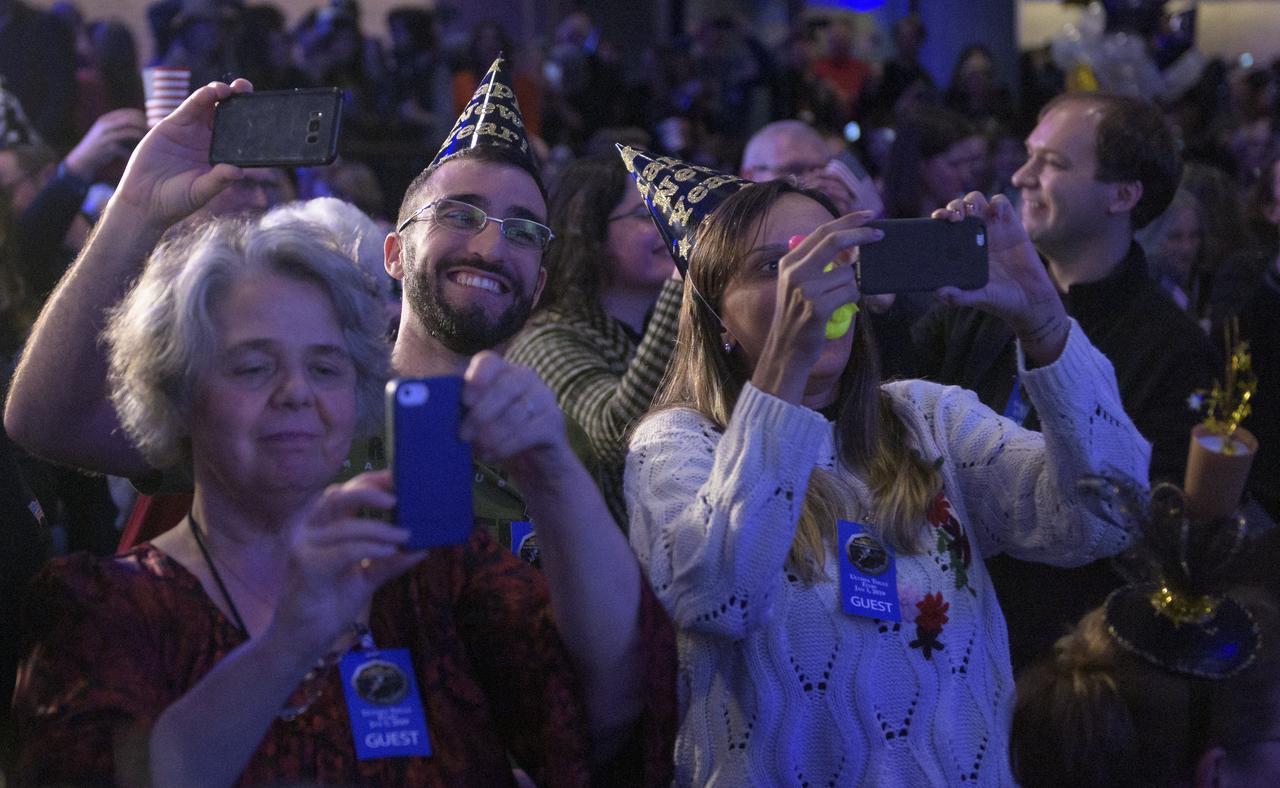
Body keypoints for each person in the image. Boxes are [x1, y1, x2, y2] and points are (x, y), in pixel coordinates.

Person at [7, 62, 674, 784]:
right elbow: (43, 420)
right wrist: (136, 208)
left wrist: (551, 472)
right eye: (255, 365)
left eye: (324, 367)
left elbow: (606, 704)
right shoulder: (111, 609)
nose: (297, 392)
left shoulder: (437, 578)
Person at [618, 146, 1150, 785]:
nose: (812, 284)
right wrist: (784, 369)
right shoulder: (674, 444)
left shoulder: (928, 418)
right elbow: (717, 599)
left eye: (827, 258)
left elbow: (1106, 517)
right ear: (718, 320)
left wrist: (1044, 321)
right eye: (774, 266)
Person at [912, 92, 1220, 670]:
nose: (1022, 176)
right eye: (1028, 156)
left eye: (1052, 164)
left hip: (1061, 656)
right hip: (939, 623)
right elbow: (896, 409)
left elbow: (1143, 531)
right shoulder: (981, 298)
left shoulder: (1172, 347)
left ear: (1123, 196)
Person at [506, 153, 683, 526]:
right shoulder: (546, 339)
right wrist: (682, 286)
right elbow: (612, 437)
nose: (670, 226)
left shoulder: (652, 327)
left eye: (668, 211)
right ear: (589, 230)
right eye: (644, 214)